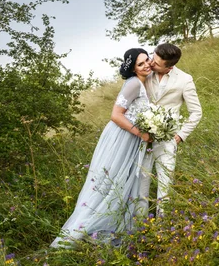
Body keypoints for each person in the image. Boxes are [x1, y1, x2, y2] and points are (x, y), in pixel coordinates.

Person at [51, 48, 153, 248]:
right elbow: (116, 115)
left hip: (130, 136)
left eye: (147, 60)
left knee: (123, 180)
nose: (147, 64)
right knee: (112, 180)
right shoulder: (133, 84)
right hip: (123, 136)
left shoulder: (142, 83)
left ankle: (117, 225)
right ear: (133, 68)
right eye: (141, 64)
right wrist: (142, 134)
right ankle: (85, 230)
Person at [137, 43, 202, 217]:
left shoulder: (184, 79)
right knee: (141, 181)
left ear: (170, 66)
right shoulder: (145, 71)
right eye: (152, 57)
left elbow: (196, 112)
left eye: (157, 63)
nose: (151, 63)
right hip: (142, 137)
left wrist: (180, 136)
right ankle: (140, 224)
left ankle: (162, 227)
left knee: (165, 184)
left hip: (167, 139)